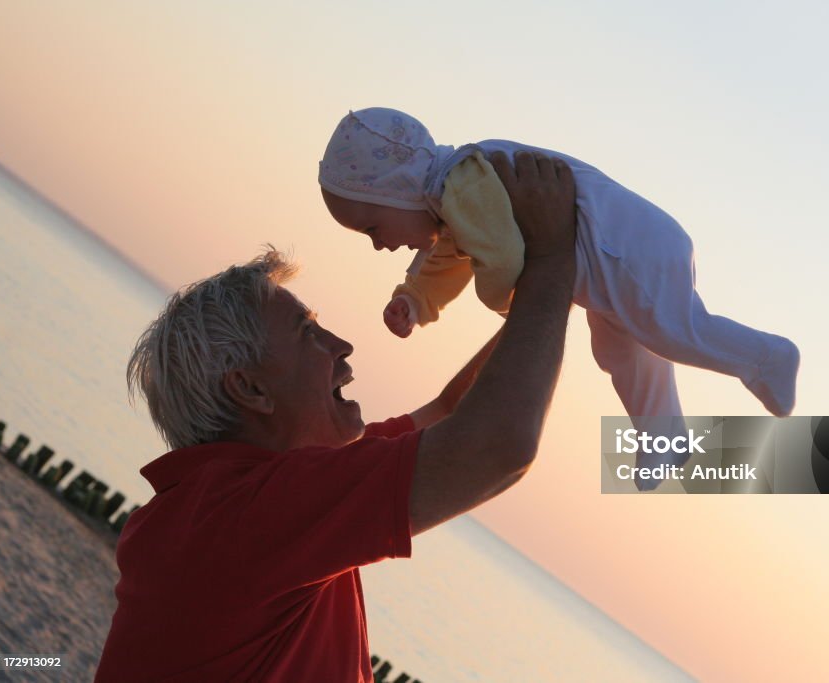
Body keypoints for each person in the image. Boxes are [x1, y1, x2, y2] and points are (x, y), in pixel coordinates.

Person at [95, 151, 578, 682]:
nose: (342, 345)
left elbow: (449, 413)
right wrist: (554, 262)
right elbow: (496, 447)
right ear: (251, 388)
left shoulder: (232, 502)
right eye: (308, 333)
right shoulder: (243, 516)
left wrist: (550, 286)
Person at [318, 107, 801, 440]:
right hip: (613, 259)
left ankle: (767, 358)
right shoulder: (453, 196)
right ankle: (663, 436)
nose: (380, 243)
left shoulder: (462, 184)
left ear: (397, 189)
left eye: (372, 227)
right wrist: (416, 300)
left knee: (676, 333)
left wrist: (513, 305)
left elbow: (501, 259)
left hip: (626, 249)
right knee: (620, 350)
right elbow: (450, 256)